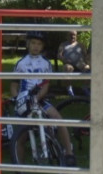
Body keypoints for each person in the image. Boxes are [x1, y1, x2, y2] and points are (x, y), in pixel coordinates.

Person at [13, 31, 72, 160]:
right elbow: (14, 85)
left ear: (42, 46)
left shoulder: (46, 63)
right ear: (28, 44)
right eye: (33, 43)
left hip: (39, 99)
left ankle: (69, 153)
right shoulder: (20, 63)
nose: (36, 46)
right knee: (20, 137)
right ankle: (18, 165)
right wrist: (17, 99)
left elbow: (46, 85)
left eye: (39, 44)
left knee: (58, 119)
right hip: (24, 101)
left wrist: (37, 98)